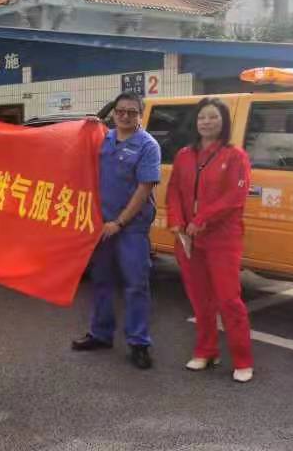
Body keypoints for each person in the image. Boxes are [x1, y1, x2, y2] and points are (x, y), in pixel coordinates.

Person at [166, 97, 254, 383]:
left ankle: (242, 360)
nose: (207, 122)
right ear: (196, 121)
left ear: (223, 122)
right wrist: (177, 221)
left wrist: (202, 218)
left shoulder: (235, 156)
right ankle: (206, 351)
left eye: (213, 117)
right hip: (188, 239)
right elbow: (174, 191)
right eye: (202, 117)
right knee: (200, 299)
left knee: (229, 300)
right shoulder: (184, 155)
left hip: (222, 239)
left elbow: (235, 198)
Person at [72, 92, 161, 369]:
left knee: (136, 285)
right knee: (101, 281)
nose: (125, 116)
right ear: (114, 113)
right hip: (101, 226)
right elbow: (75, 154)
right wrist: (85, 127)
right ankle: (100, 334)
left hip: (130, 227)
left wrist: (120, 222)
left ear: (140, 115)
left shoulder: (148, 146)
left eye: (132, 112)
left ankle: (139, 343)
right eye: (120, 111)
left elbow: (144, 189)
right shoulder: (103, 138)